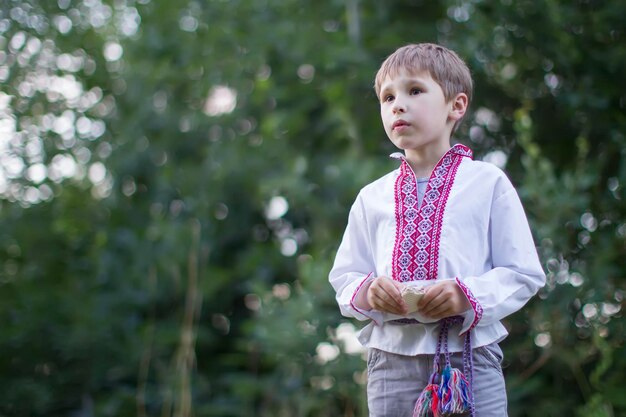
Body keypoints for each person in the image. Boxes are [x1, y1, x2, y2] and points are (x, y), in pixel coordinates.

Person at [328, 43, 546, 417]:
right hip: (389, 363)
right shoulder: (372, 197)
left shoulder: (487, 183)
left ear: (456, 106)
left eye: (414, 91)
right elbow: (345, 276)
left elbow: (523, 273)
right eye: (387, 97)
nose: (398, 104)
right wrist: (368, 290)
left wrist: (465, 295)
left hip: (469, 358)